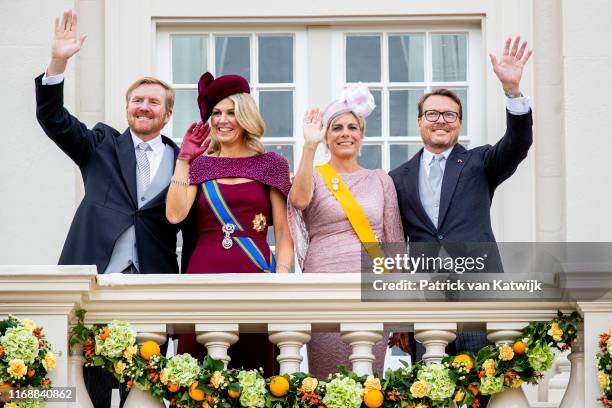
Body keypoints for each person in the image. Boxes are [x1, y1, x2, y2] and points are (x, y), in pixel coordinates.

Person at [35, 10, 196, 408]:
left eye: (153, 102)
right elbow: (52, 118)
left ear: (167, 113)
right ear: (127, 108)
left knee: (143, 384)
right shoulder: (100, 144)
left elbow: (188, 227)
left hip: (152, 280)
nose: (144, 107)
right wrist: (59, 62)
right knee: (85, 379)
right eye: (137, 100)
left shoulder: (183, 160)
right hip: (93, 273)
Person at [389, 37, 533, 362]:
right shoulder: (397, 177)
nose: (441, 120)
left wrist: (512, 91)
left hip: (477, 291)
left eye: (450, 115)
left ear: (460, 123)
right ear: (419, 122)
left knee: (481, 383)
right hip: (426, 299)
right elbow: (394, 242)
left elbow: (518, 142)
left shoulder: (480, 163)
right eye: (433, 114)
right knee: (430, 389)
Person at [166, 71, 293, 375]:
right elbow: (174, 214)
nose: (222, 120)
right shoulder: (200, 164)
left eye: (231, 112)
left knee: (255, 372)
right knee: (199, 372)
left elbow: (285, 235)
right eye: (216, 113)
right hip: (204, 274)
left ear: (246, 115)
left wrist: (281, 280)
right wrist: (183, 160)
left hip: (256, 275)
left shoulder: (271, 164)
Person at [288, 84, 404, 378]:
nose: (345, 133)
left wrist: (402, 310)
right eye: (336, 127)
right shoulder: (313, 175)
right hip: (324, 282)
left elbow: (394, 244)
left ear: (361, 135)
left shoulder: (380, 180)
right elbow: (298, 200)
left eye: (352, 127)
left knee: (368, 376)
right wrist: (309, 146)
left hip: (372, 285)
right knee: (327, 376)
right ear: (326, 136)